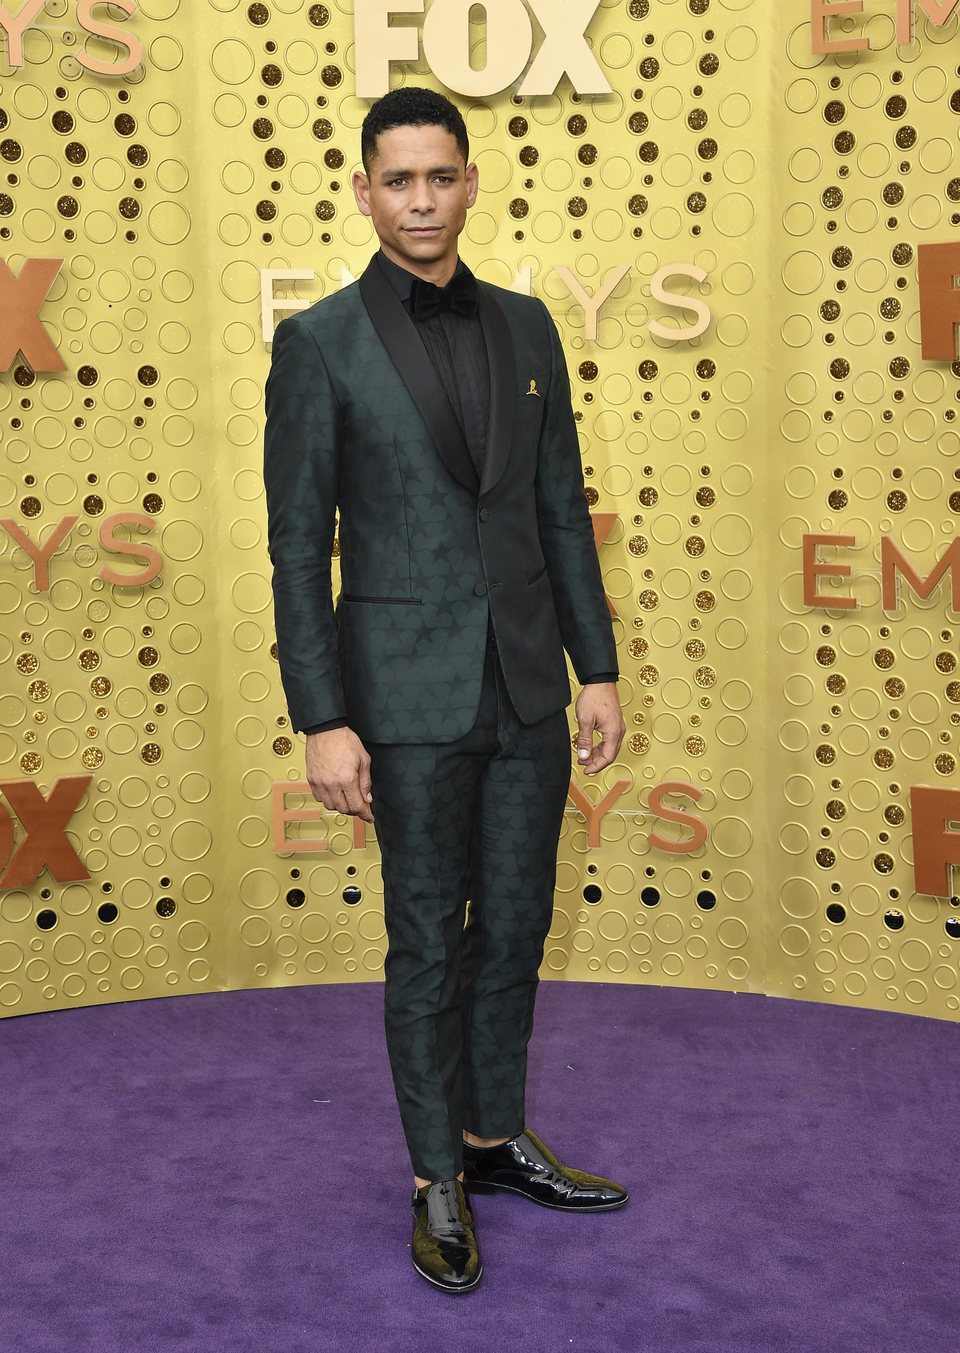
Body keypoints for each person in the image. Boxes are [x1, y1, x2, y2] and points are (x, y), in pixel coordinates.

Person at [263, 86, 628, 1295]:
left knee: (515, 930)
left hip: (528, 689)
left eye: (441, 176)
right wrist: (322, 717)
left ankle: (492, 1135)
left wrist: (600, 667)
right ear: (364, 191)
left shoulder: (530, 328)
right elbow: (295, 542)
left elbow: (560, 512)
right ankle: (436, 1179)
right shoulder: (318, 344)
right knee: (427, 944)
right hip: (402, 702)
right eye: (398, 180)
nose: (422, 199)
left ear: (471, 182)